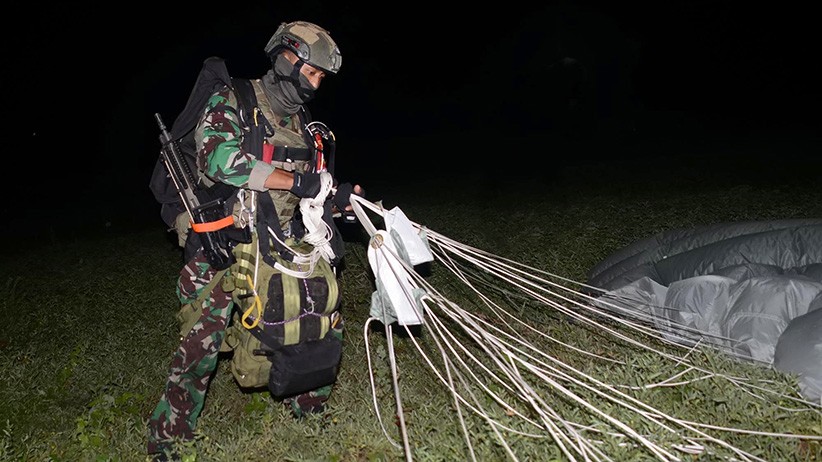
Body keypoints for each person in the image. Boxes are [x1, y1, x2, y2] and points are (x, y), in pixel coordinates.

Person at [147, 20, 362, 459]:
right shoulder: (234, 100)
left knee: (309, 322)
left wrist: (335, 199)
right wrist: (295, 182)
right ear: (288, 59)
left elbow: (310, 188)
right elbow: (220, 160)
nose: (316, 85)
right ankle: (169, 438)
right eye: (313, 72)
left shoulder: (303, 123)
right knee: (200, 346)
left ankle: (311, 410)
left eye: (322, 77)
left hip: (279, 245)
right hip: (222, 245)